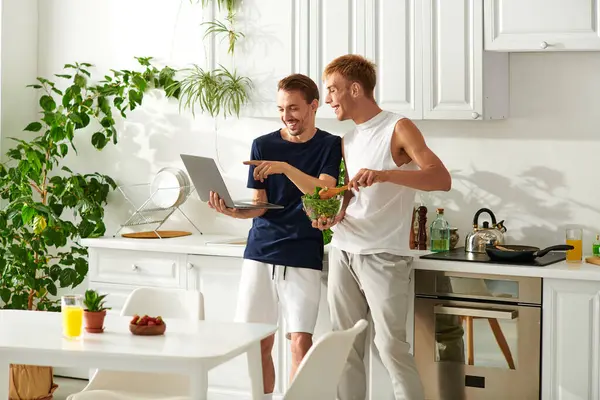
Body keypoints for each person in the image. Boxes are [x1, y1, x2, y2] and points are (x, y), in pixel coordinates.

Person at [315, 54, 452, 400]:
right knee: (344, 347)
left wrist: (389, 173)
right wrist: (335, 215)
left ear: (356, 89)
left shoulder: (398, 127)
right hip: (345, 248)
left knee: (391, 347)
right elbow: (354, 197)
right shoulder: (347, 140)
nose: (328, 98)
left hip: (384, 254)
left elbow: (441, 178)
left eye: (333, 90)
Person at [207, 73, 342, 400]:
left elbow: (323, 190)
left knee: (300, 342)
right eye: (281, 109)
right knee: (258, 340)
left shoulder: (329, 144)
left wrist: (284, 167)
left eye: (294, 108)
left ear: (314, 106)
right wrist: (234, 212)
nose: (287, 116)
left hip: (302, 253)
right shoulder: (263, 145)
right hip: (261, 251)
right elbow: (260, 206)